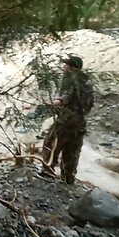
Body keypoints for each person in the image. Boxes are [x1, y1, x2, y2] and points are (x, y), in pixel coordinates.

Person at [40, 55, 94, 184]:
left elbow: (67, 95)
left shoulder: (71, 79)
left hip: (67, 119)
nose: (64, 68)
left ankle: (48, 171)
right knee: (72, 149)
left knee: (51, 142)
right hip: (80, 121)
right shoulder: (86, 82)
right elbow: (89, 103)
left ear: (72, 68)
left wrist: (54, 102)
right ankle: (68, 177)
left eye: (66, 65)